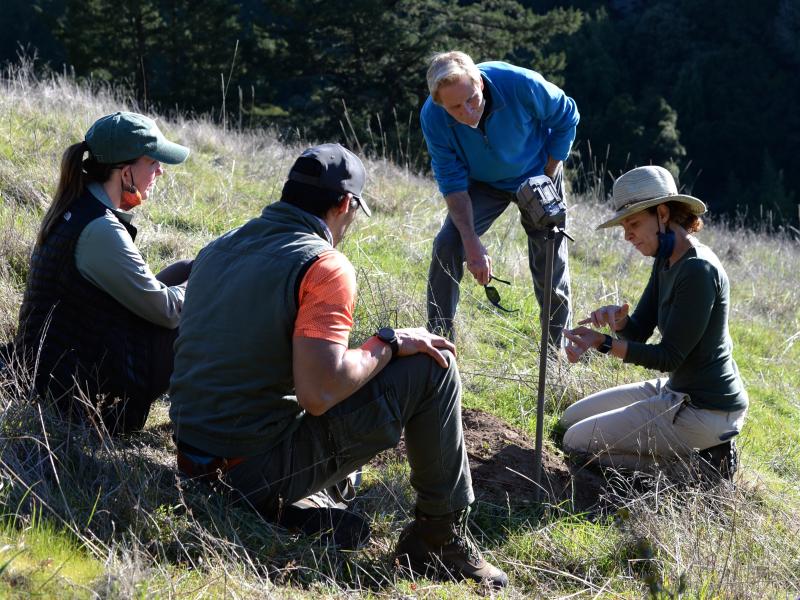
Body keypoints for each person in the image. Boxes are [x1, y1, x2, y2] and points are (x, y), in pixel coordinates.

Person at [169, 143, 508, 588]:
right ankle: (439, 541)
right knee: (433, 366)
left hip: (193, 462)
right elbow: (319, 392)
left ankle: (302, 502)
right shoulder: (324, 265)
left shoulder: (219, 247)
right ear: (346, 204)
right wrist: (388, 342)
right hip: (248, 469)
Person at [560, 165, 748, 479]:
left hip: (706, 409)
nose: (627, 235)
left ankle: (702, 467)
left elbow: (668, 357)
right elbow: (639, 330)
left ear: (662, 214)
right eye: (624, 226)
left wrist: (602, 343)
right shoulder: (666, 258)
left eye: (633, 223)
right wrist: (617, 324)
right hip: (678, 388)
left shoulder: (698, 270)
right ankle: (691, 456)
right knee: (569, 419)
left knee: (576, 443)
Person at [13, 111, 191, 435]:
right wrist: (206, 287)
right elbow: (166, 312)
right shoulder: (101, 230)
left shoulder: (78, 207)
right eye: (153, 162)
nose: (160, 171)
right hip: (80, 403)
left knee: (186, 269)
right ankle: (211, 427)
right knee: (197, 307)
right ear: (125, 173)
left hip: (58, 373)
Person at [421, 50, 580, 346]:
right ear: (440, 104)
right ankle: (438, 344)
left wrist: (549, 170)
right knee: (448, 244)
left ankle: (558, 350)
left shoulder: (519, 83)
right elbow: (452, 181)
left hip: (537, 171)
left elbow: (567, 115)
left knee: (550, 260)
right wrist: (471, 242)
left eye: (472, 99)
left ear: (480, 82)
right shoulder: (433, 117)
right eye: (455, 107)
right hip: (481, 183)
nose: (468, 112)